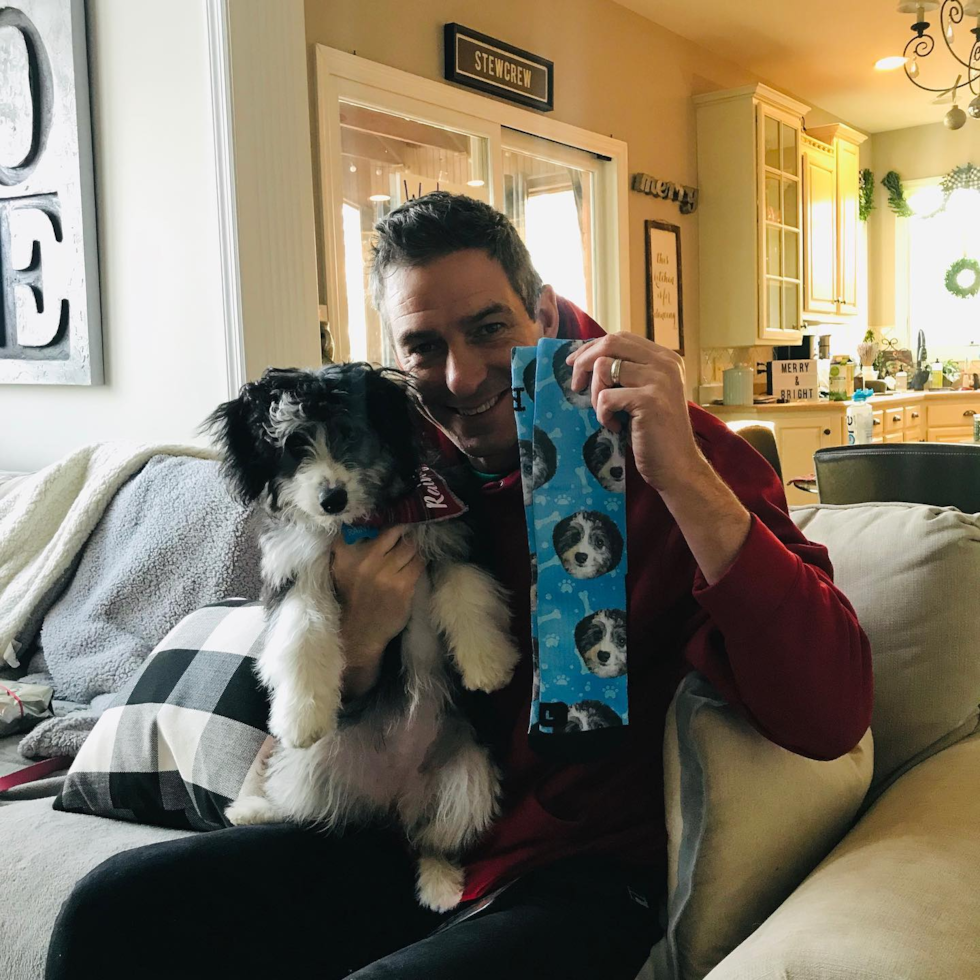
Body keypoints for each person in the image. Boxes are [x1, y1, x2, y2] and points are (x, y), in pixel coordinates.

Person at [46, 193, 872, 980]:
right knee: (111, 910)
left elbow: (829, 712)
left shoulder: (668, 444)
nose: (465, 376)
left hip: (579, 872)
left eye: (490, 330)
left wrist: (687, 479)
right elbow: (333, 689)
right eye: (424, 346)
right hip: (402, 835)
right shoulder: (389, 463)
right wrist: (362, 639)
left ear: (542, 313)